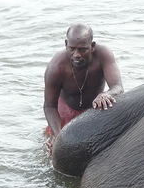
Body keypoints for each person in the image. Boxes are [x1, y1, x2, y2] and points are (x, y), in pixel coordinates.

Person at [43, 23, 124, 155]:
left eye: (82, 49)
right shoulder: (56, 67)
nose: (76, 55)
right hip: (65, 112)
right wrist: (56, 135)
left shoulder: (103, 55)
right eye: (72, 49)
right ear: (66, 45)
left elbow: (118, 87)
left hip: (95, 108)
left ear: (92, 46)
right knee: (57, 149)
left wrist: (107, 94)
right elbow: (49, 106)